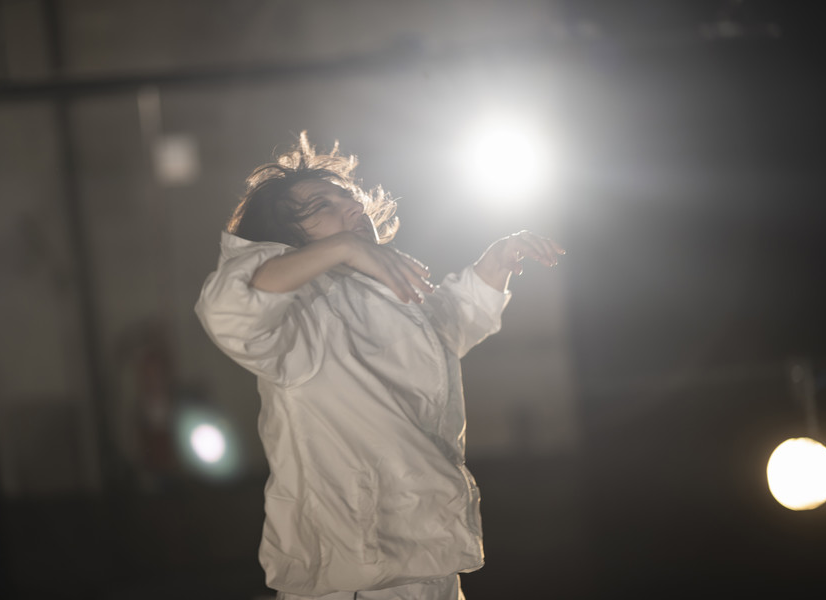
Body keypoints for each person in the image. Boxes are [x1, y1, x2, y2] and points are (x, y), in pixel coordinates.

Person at [195, 132, 565, 600]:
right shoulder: (302, 314)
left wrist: (496, 263)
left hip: (431, 564)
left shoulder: (388, 293)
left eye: (349, 197)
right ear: (286, 239)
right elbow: (230, 307)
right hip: (351, 576)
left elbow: (451, 319)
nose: (353, 206)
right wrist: (343, 249)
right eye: (323, 205)